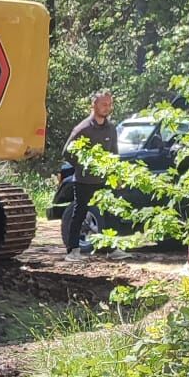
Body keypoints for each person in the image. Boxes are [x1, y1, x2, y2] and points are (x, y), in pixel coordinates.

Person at [63, 89, 117, 254]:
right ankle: (73, 250)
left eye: (109, 104)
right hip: (84, 181)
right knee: (79, 214)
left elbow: (114, 154)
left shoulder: (111, 129)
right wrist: (83, 166)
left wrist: (115, 174)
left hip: (104, 180)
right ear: (94, 105)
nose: (107, 108)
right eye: (103, 104)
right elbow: (67, 152)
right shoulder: (83, 128)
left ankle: (111, 249)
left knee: (110, 214)